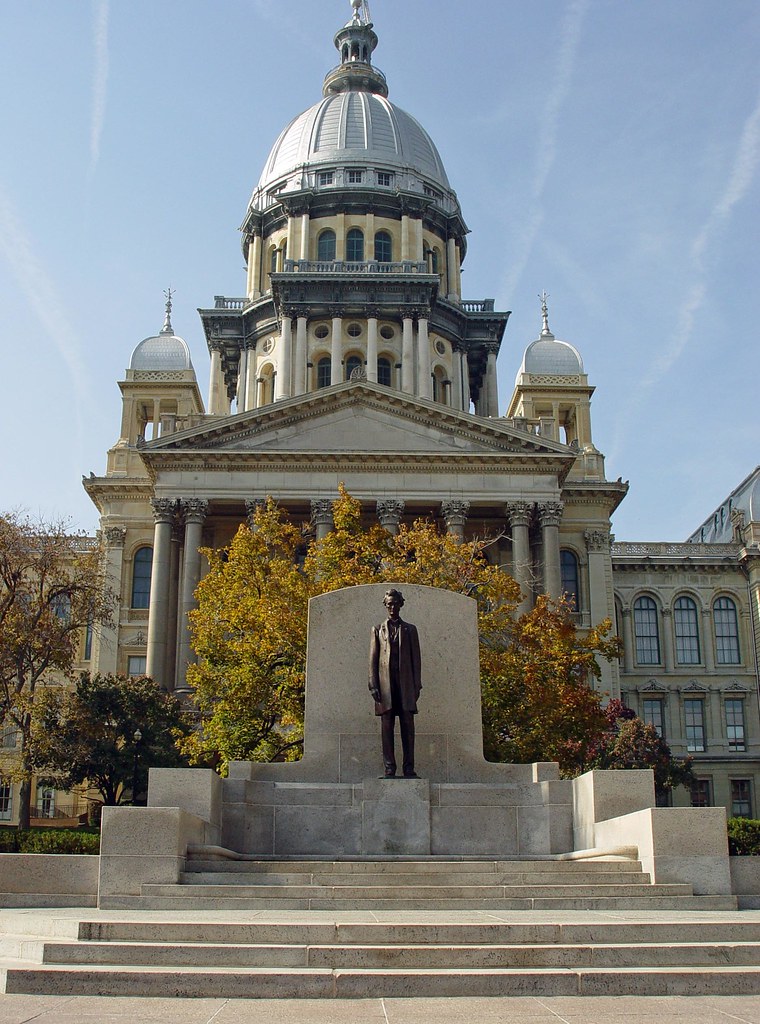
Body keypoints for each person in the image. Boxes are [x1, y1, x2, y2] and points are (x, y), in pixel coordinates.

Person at [368, 588, 422, 778]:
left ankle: (409, 768)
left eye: (395, 603)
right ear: (386, 605)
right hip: (385, 686)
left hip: (405, 685)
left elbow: (416, 659)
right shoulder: (377, 629)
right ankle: (389, 768)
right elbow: (373, 659)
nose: (392, 607)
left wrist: (417, 685)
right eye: (389, 604)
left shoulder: (410, 630)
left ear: (401, 604)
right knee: (386, 727)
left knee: (408, 726)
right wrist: (373, 685)